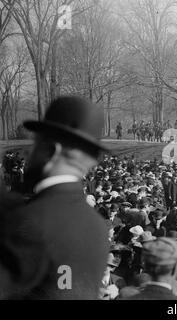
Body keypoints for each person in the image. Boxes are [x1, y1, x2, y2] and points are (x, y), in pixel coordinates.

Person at [0, 96, 109, 299]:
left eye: (34, 146)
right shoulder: (97, 225)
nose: (27, 153)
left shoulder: (31, 222)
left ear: (51, 150)